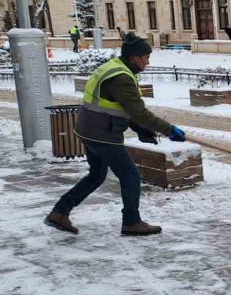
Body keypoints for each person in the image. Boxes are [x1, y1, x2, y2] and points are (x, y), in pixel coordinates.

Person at [45, 32, 187, 236]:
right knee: (131, 177)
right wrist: (169, 130)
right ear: (134, 58)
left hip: (89, 129)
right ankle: (131, 222)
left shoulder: (115, 67)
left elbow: (118, 107)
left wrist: (140, 129)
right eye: (146, 57)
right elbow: (139, 112)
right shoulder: (122, 78)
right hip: (103, 133)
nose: (148, 62)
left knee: (96, 176)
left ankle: (59, 212)